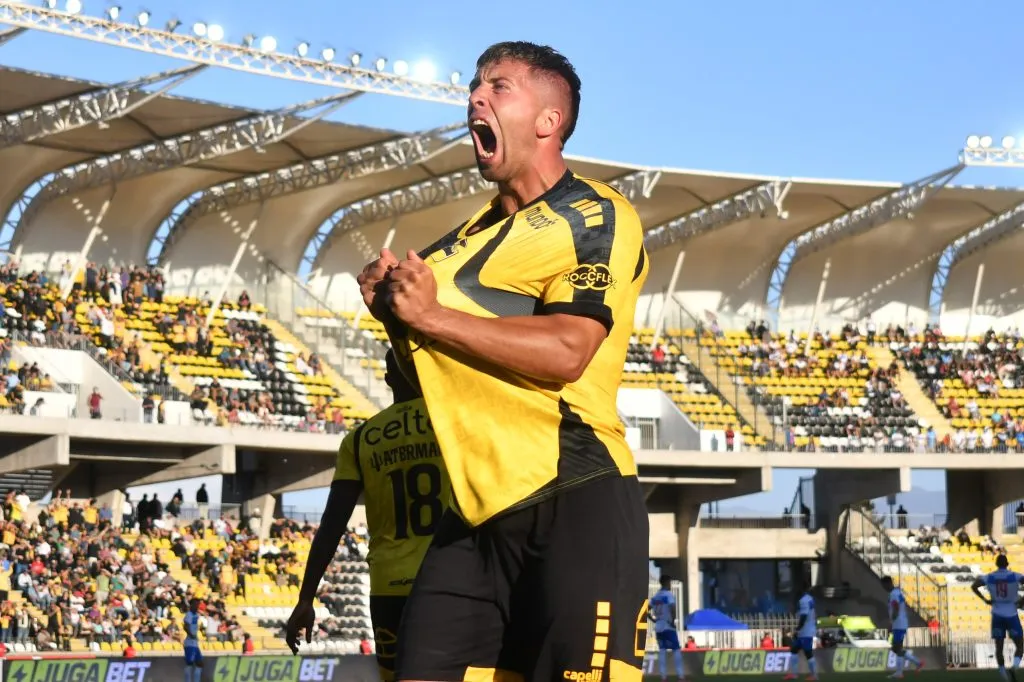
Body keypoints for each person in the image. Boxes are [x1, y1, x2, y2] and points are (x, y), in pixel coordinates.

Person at [358, 41, 649, 681]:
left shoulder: (594, 213)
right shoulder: (454, 246)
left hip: (574, 497)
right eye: (474, 85)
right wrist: (395, 315)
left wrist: (429, 315)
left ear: (549, 121)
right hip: (474, 515)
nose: (475, 97)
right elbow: (413, 384)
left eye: (499, 86)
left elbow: (570, 350)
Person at [285, 350, 449, 682]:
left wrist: (306, 597)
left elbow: (331, 527)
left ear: (389, 379)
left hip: (389, 587)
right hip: (450, 578)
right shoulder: (455, 424)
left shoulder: (360, 440)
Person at [972, 554, 1024, 681]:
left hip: (997, 615)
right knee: (1020, 645)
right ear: (1007, 564)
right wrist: (1022, 602)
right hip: (1011, 614)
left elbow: (974, 586)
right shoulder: (1014, 576)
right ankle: (1014, 667)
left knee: (999, 646)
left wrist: (985, 599)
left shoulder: (989, 577)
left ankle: (1004, 676)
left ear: (996, 564)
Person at [880, 576, 923, 678]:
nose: (883, 588)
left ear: (888, 583)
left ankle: (900, 672)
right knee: (896, 648)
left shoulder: (893, 594)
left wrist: (891, 623)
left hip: (898, 624)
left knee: (897, 648)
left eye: (883, 585)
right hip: (900, 623)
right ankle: (917, 663)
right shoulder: (897, 592)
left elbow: (896, 608)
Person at [649, 575, 684, 681]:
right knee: (676, 649)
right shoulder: (668, 595)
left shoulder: (655, 596)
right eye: (669, 583)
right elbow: (673, 608)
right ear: (666, 582)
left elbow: (646, 609)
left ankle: (663, 677)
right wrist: (673, 621)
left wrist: (653, 619)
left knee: (662, 651)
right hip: (667, 625)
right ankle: (680, 677)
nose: (670, 585)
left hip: (658, 626)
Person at [783, 590, 817, 681]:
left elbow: (804, 616)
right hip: (805, 631)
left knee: (808, 652)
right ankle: (793, 674)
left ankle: (814, 675)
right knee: (794, 650)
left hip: (806, 631)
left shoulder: (803, 600)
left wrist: (798, 628)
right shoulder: (809, 598)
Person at [182, 599, 203, 682]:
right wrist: (191, 634)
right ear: (191, 605)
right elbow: (185, 626)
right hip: (190, 642)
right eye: (195, 604)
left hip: (194, 642)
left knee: (200, 663)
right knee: (189, 663)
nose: (197, 606)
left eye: (198, 605)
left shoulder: (196, 615)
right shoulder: (189, 614)